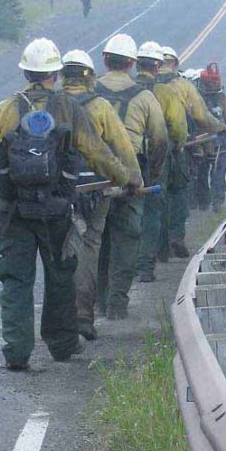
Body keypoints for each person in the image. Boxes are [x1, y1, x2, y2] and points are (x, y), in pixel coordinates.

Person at [0, 38, 141, 371]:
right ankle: (62, 343)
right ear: (55, 73)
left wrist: (6, 189)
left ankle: (17, 351)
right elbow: (96, 152)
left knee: (17, 280)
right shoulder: (68, 107)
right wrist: (126, 178)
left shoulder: (8, 108)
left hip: (15, 213)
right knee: (60, 276)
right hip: (56, 211)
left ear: (26, 71)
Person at [60, 49, 142, 340]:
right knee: (90, 246)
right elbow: (122, 149)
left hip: (56, 193)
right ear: (89, 76)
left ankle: (61, 318)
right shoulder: (100, 107)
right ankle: (84, 313)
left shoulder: (49, 106)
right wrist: (134, 181)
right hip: (95, 191)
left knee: (58, 251)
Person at [95, 34, 168, 318]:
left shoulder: (91, 93)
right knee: (127, 237)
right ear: (132, 64)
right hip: (131, 171)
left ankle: (98, 300)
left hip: (96, 170)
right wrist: (152, 173)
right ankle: (117, 303)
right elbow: (160, 139)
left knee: (96, 238)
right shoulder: (145, 96)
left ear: (104, 60)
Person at [156, 46, 226, 259]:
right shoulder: (183, 86)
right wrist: (219, 127)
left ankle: (156, 248)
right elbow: (201, 116)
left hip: (147, 151)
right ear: (175, 64)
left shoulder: (141, 86)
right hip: (177, 149)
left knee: (154, 199)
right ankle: (175, 236)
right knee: (178, 193)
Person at [134, 41, 188, 283]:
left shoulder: (128, 89)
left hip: (126, 158)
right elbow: (177, 129)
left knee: (129, 211)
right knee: (155, 208)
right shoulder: (165, 93)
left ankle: (129, 264)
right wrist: (176, 147)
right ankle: (148, 263)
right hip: (156, 158)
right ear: (157, 66)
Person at [196, 63, 226, 212]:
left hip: (216, 137)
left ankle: (213, 200)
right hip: (206, 138)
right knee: (206, 169)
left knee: (217, 169)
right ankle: (210, 200)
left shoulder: (218, 96)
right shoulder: (200, 98)